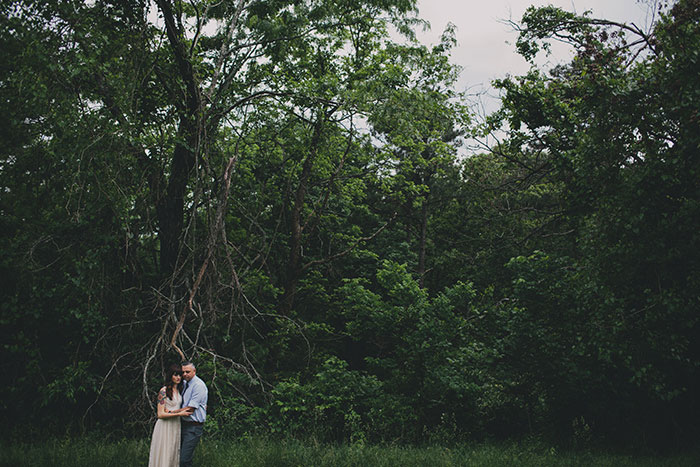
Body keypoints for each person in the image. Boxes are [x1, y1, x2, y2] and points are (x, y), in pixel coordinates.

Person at [148, 364, 194, 467]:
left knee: (172, 453)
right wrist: (180, 413)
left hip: (175, 425)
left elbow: (173, 410)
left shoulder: (179, 390)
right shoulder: (164, 391)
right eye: (175, 375)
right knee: (164, 453)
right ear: (170, 376)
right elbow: (160, 414)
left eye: (179, 375)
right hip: (165, 426)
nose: (178, 378)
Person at [180, 361, 208, 467]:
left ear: (194, 371)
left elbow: (190, 409)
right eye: (183, 372)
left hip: (193, 427)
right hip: (183, 424)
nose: (185, 374)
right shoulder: (184, 383)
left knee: (184, 460)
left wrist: (170, 413)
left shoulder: (198, 385)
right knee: (180, 458)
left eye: (188, 372)